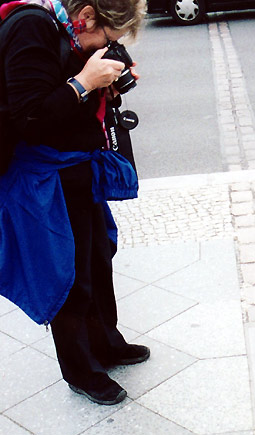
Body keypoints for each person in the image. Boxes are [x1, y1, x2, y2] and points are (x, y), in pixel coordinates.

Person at [0, 0, 149, 405]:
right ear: (86, 16)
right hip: (47, 174)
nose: (104, 48)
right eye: (107, 39)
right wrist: (83, 82)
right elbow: (29, 117)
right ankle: (81, 370)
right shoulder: (31, 27)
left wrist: (104, 85)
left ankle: (106, 344)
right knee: (68, 273)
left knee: (98, 259)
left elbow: (59, 95)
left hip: (77, 166)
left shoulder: (65, 30)